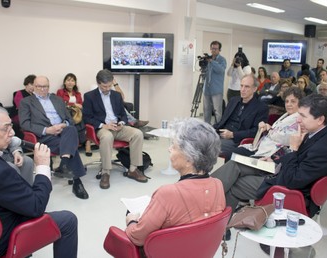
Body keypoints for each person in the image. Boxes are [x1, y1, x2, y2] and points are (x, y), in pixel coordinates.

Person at [0, 104, 78, 258]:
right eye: (6, 128)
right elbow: (36, 206)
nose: (12, 133)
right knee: (68, 220)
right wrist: (43, 167)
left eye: (11, 126)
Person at [211, 94, 327, 220]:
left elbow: (293, 180)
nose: (298, 120)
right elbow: (300, 161)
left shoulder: (323, 148)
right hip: (283, 171)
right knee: (235, 164)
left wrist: (294, 149)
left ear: (320, 119)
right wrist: (274, 160)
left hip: (288, 188)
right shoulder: (317, 133)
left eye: (302, 116)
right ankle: (205, 192)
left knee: (235, 185)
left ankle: (219, 225)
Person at [125, 118, 226, 246]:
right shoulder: (218, 185)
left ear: (190, 159)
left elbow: (137, 238)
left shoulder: (167, 194)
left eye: (174, 146)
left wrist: (131, 221)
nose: (169, 149)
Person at [19, 76, 89, 199]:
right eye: (38, 86)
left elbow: (70, 120)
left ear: (49, 86)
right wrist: (47, 130)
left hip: (64, 131)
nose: (42, 89)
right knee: (70, 145)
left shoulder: (57, 100)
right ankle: (76, 181)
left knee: (71, 129)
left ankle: (65, 164)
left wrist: (63, 125)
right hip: (45, 136)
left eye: (45, 86)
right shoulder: (26, 102)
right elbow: (24, 123)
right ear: (33, 87)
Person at [83, 69, 147, 189]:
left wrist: (122, 122)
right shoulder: (89, 96)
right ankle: (105, 172)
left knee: (137, 133)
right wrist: (104, 126)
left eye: (109, 86)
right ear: (98, 83)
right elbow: (87, 118)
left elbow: (123, 114)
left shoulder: (116, 95)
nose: (107, 89)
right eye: (104, 86)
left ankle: (133, 169)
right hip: (103, 128)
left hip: (118, 127)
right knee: (107, 136)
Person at [233, 87, 304, 158]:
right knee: (234, 153)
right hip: (262, 148)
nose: (289, 104)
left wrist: (269, 129)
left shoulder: (300, 120)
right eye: (287, 101)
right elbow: (276, 132)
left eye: (293, 101)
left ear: (300, 103)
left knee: (234, 155)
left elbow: (285, 138)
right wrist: (267, 127)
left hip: (272, 155)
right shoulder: (286, 115)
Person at [213, 75, 268, 160]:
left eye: (247, 87)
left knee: (208, 145)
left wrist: (232, 135)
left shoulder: (261, 107)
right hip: (221, 133)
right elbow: (222, 121)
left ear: (254, 89)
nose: (242, 90)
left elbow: (255, 132)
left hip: (237, 140)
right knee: (197, 138)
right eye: (241, 86)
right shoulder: (233, 100)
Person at [56, 73, 92, 156]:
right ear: (64, 82)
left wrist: (76, 105)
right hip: (65, 113)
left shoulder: (78, 94)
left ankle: (82, 142)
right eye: (68, 80)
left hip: (77, 114)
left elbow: (81, 105)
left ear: (75, 83)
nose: (70, 82)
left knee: (80, 117)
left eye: (72, 80)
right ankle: (86, 142)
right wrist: (74, 104)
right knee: (75, 120)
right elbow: (60, 103)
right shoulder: (60, 92)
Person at [202, 40, 227, 124]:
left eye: (216, 49)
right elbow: (204, 71)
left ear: (219, 50)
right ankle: (206, 128)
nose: (213, 50)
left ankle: (217, 129)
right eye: (212, 48)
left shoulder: (222, 60)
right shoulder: (208, 59)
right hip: (207, 89)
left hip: (216, 90)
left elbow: (221, 70)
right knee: (206, 111)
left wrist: (211, 62)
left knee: (217, 112)